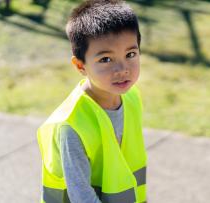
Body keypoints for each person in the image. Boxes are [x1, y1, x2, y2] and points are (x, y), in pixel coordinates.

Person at [36, 0, 147, 202]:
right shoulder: (71, 125)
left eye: (130, 54)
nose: (122, 69)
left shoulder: (131, 98)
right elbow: (81, 195)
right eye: (106, 59)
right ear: (80, 66)